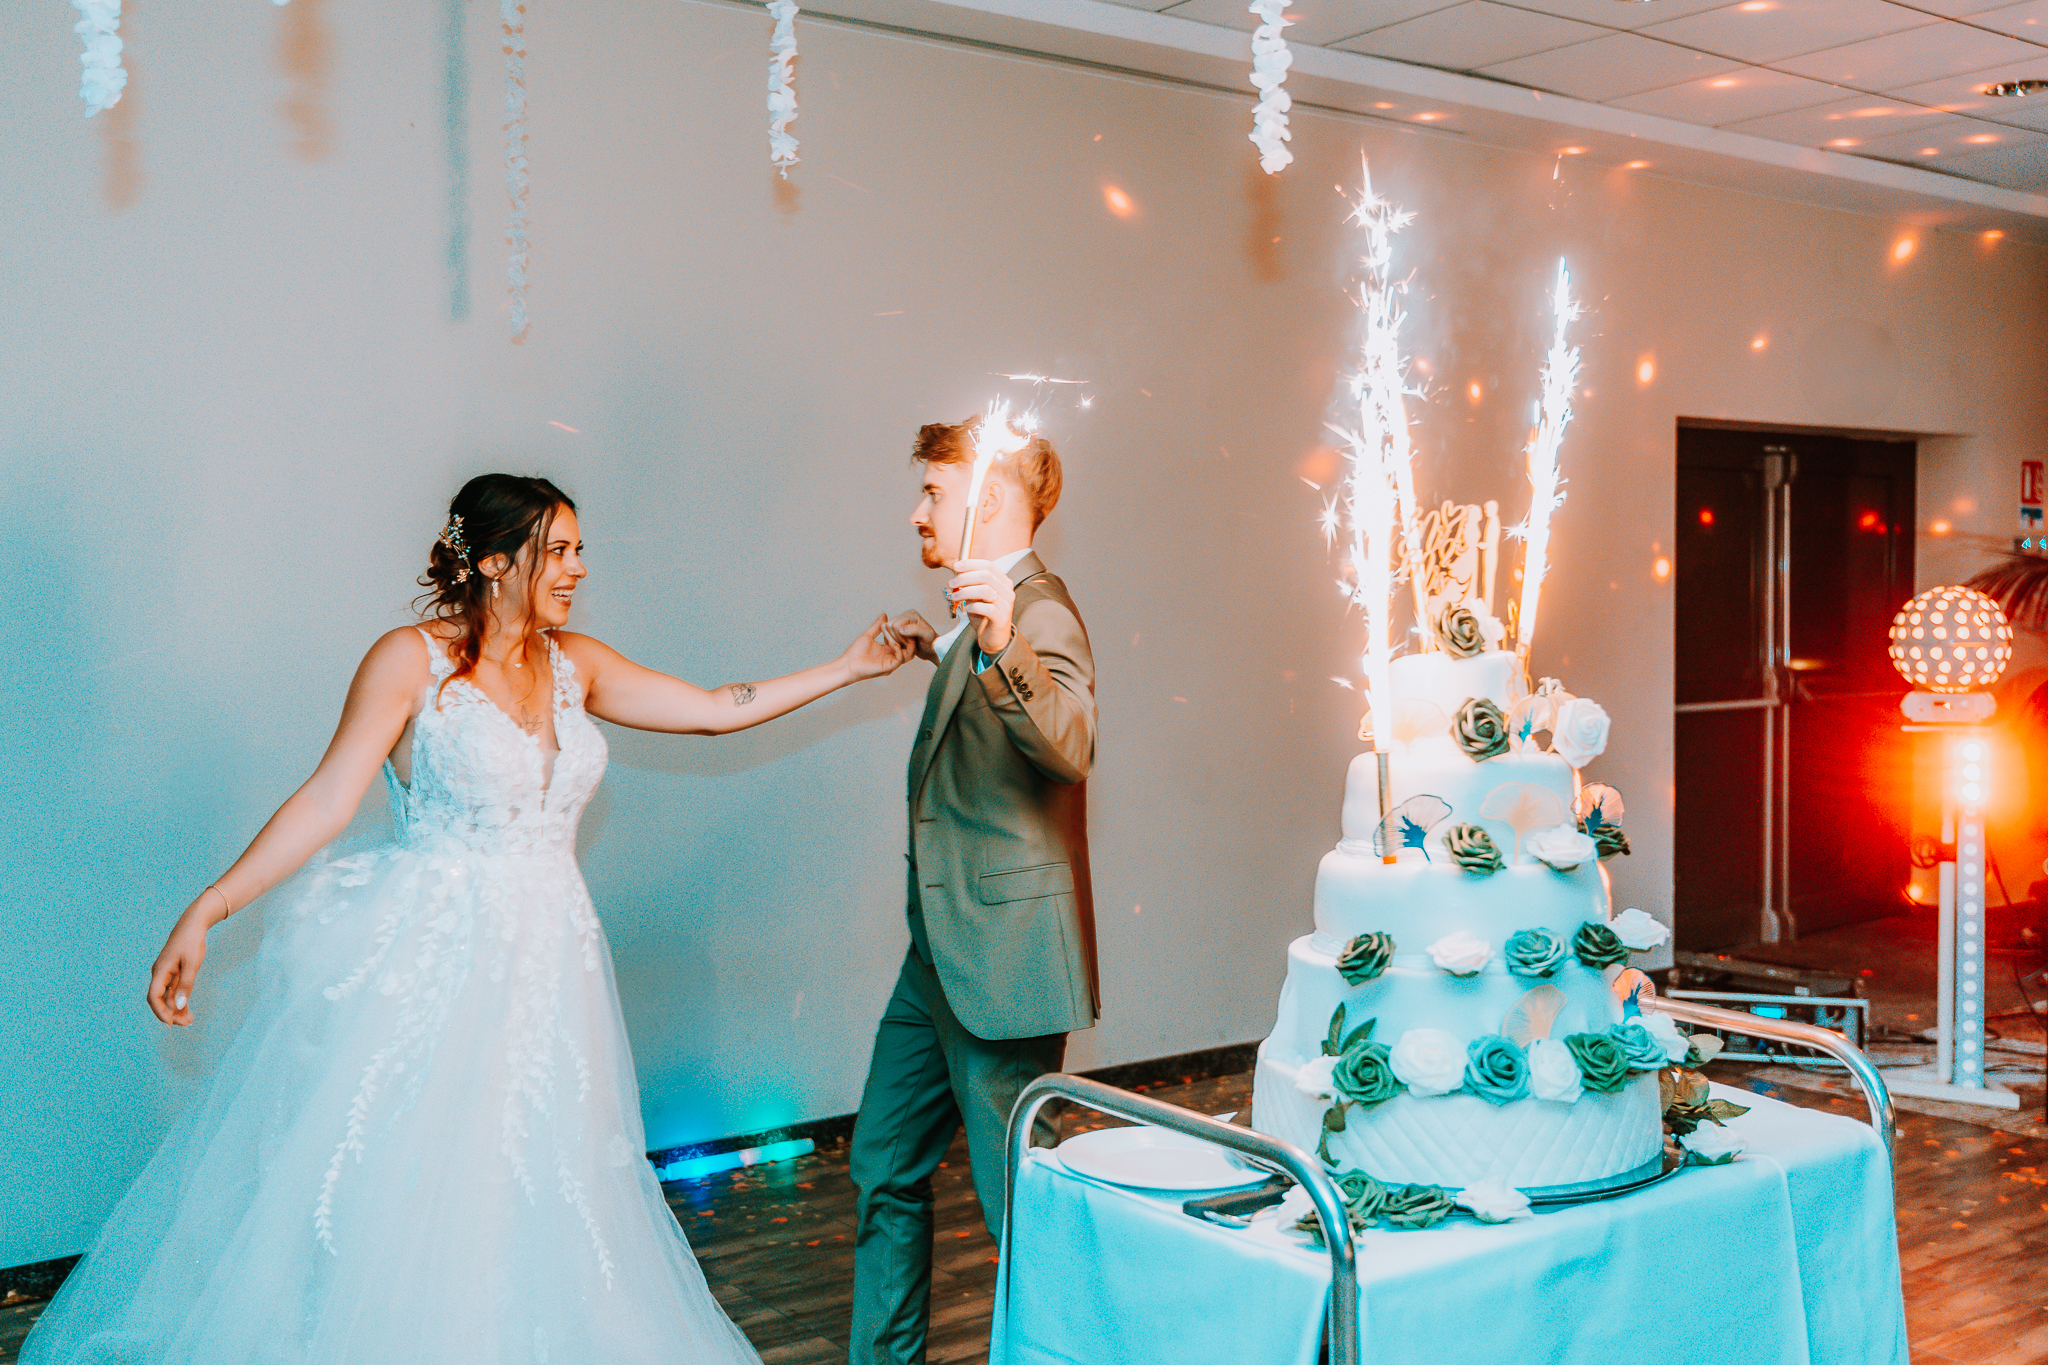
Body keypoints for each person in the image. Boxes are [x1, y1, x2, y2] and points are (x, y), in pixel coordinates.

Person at [21, 473, 915, 1364]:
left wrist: (847, 667)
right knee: (423, 1187)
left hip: (554, 967)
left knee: (538, 1182)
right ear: (493, 561)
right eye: (557, 550)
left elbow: (715, 709)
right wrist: (210, 907)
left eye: (578, 549)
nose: (578, 568)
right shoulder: (408, 661)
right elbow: (329, 798)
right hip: (437, 969)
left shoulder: (576, 664)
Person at [849, 417, 1099, 1365]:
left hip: (1002, 961)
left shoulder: (1040, 611)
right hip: (936, 958)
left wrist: (996, 641)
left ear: (987, 497)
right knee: (881, 1164)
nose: (918, 512)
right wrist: (945, 646)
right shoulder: (982, 614)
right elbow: (987, 701)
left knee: (1018, 1210)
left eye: (933, 493)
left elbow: (1070, 742)